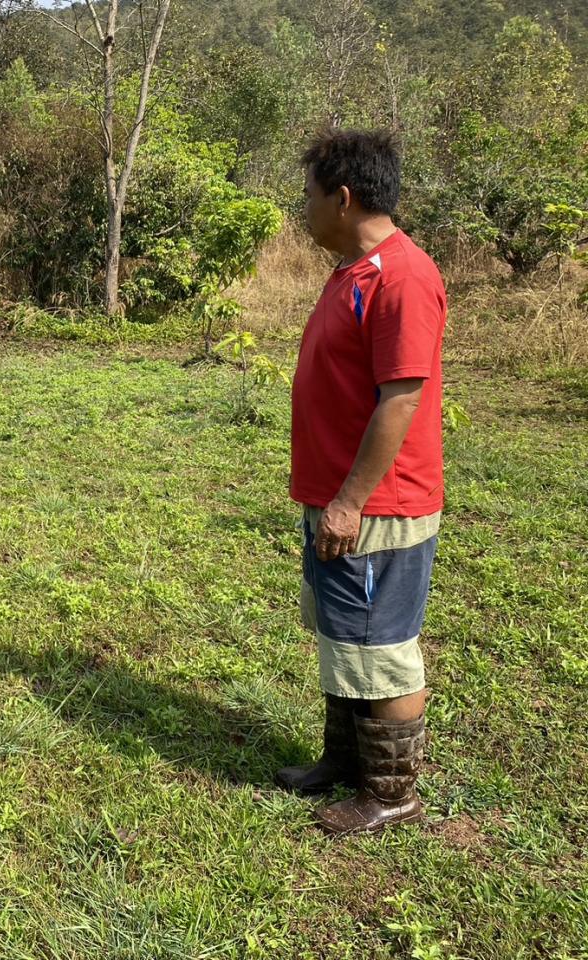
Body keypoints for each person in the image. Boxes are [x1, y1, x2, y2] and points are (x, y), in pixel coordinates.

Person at [275, 130, 447, 835]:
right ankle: (344, 764)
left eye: (309, 197)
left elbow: (401, 398)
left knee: (381, 645)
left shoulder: (402, 276)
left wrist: (350, 500)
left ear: (343, 199)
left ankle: (392, 794)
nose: (304, 211)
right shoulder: (355, 268)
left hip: (375, 505)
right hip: (338, 499)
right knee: (346, 636)